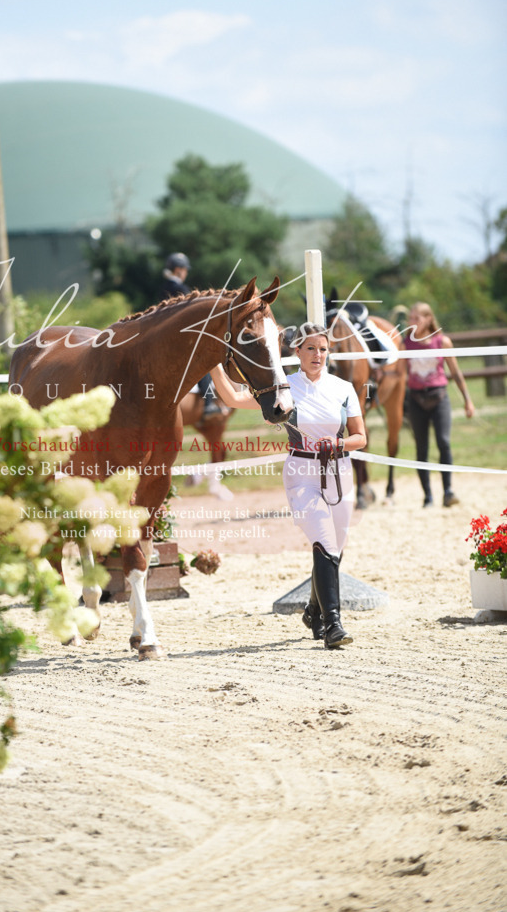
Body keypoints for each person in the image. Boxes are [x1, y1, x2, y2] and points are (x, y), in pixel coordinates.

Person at [211, 323, 366, 649]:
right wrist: (212, 362)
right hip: (301, 470)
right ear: (296, 352)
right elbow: (233, 398)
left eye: (323, 349)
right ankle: (332, 625)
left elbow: (360, 437)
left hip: (339, 471)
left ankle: (313, 609)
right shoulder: (285, 387)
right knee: (324, 540)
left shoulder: (344, 388)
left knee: (335, 547)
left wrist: (339, 445)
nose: (318, 355)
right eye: (310, 348)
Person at [404, 302, 475, 508]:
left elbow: (455, 372)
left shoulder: (442, 342)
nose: (411, 322)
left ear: (428, 319)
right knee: (421, 448)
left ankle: (448, 491)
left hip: (439, 397)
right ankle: (427, 496)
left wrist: (467, 400)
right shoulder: (405, 344)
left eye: (416, 318)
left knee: (443, 442)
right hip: (416, 399)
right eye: (410, 318)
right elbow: (399, 374)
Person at [158, 251, 221, 422]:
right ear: (178, 269)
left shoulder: (163, 287)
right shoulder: (181, 289)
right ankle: (209, 404)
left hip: (166, 339)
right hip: (181, 340)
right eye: (185, 269)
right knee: (204, 364)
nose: (186, 273)